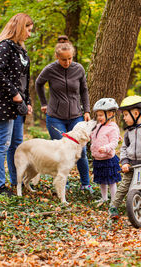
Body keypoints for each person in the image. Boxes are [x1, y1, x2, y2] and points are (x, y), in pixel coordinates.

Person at [0, 13, 34, 197]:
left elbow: (25, 79)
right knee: (1, 145)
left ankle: (16, 181)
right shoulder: (5, 47)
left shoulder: (21, 50)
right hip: (2, 104)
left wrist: (27, 101)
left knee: (16, 145)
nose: (29, 33)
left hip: (18, 106)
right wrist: (14, 94)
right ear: (19, 27)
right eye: (27, 29)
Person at [35, 41, 93, 193]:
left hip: (76, 117)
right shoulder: (50, 69)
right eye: (63, 59)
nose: (67, 62)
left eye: (70, 59)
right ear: (57, 57)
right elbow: (38, 83)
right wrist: (43, 103)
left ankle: (86, 184)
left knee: (82, 152)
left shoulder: (78, 69)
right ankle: (63, 183)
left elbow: (84, 91)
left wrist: (86, 110)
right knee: (61, 151)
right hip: (55, 117)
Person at [90, 98, 122, 204]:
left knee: (111, 181)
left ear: (110, 114)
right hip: (98, 159)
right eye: (98, 115)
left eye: (101, 115)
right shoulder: (98, 126)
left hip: (108, 159)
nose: (98, 118)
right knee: (102, 181)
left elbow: (114, 142)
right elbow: (93, 137)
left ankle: (114, 200)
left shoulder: (112, 128)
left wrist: (106, 148)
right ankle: (104, 198)